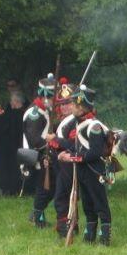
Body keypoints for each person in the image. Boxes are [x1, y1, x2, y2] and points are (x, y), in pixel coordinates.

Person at [56, 84, 112, 245]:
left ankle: (105, 234)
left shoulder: (94, 126)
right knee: (87, 203)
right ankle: (90, 232)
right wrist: (66, 153)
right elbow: (78, 146)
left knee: (99, 202)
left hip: (94, 170)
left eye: (73, 104)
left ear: (81, 107)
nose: (70, 107)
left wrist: (72, 158)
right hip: (82, 170)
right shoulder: (78, 123)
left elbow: (94, 152)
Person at [21, 74, 57, 228]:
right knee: (44, 189)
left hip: (44, 155)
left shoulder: (44, 110)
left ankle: (37, 215)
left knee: (49, 188)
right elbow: (35, 140)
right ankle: (37, 217)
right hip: (36, 156)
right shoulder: (35, 113)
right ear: (46, 96)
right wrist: (54, 142)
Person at [51, 80, 79, 237]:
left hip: (70, 164)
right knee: (64, 195)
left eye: (68, 103)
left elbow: (72, 144)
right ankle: (68, 225)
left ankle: (66, 227)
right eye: (62, 104)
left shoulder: (76, 121)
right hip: (61, 164)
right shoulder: (64, 121)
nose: (64, 107)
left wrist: (54, 141)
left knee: (64, 195)